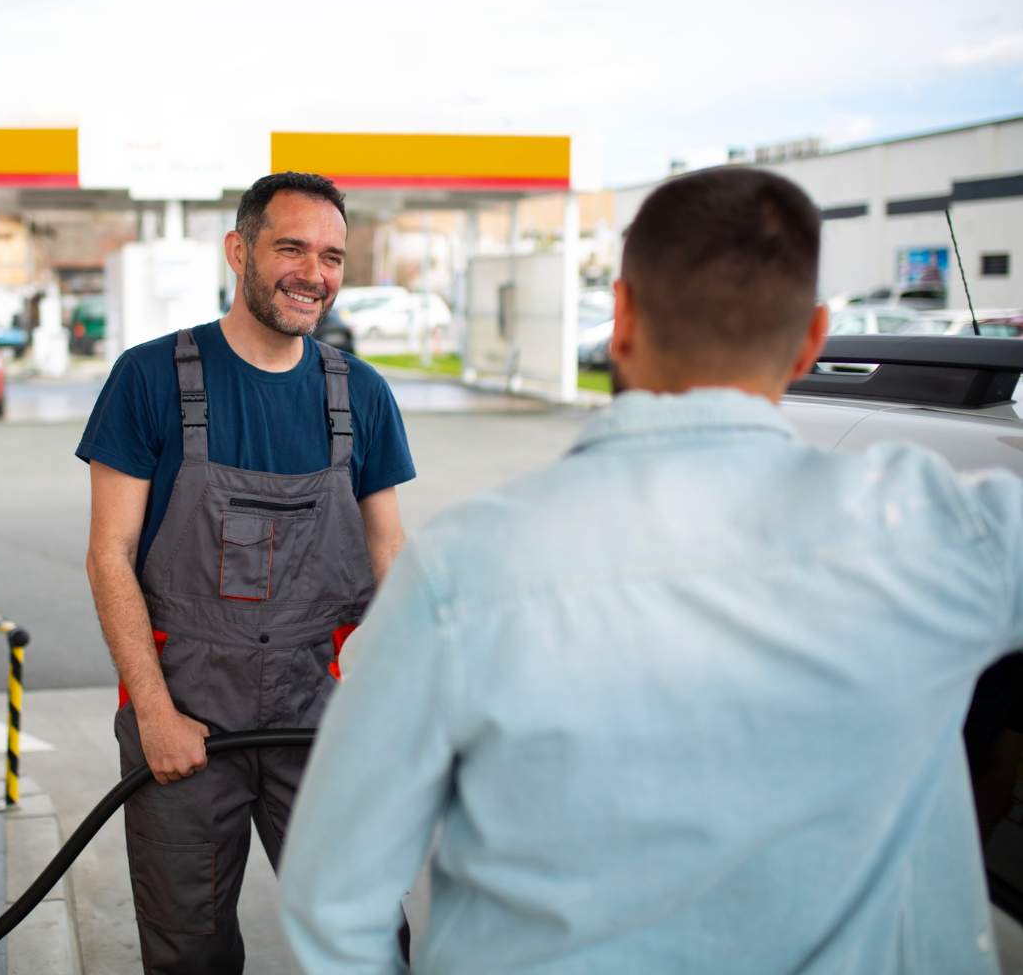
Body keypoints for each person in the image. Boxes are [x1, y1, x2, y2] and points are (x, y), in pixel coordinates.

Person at [279, 166, 1019, 973]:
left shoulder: (462, 568)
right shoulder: (944, 530)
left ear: (621, 318)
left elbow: (333, 900)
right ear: (813, 338)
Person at [78, 171, 415, 974]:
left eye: (331, 256)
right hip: (186, 717)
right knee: (189, 951)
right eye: (291, 248)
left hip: (321, 718)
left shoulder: (362, 395)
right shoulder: (150, 378)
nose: (314, 273)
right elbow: (108, 555)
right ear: (239, 251)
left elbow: (391, 557)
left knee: (364, 939)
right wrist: (155, 714)